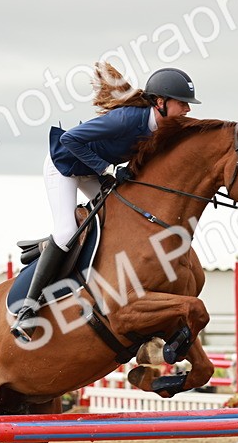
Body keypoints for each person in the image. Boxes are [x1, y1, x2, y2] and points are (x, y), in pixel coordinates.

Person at [10, 64, 201, 342]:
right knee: (65, 231)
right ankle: (28, 308)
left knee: (120, 215)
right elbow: (69, 139)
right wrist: (106, 170)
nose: (187, 110)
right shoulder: (126, 118)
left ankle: (57, 250)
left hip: (91, 169)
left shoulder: (159, 129)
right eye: (182, 103)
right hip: (64, 165)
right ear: (160, 103)